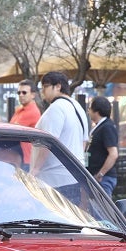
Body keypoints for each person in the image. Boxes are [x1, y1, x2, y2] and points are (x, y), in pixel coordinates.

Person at [32, 71, 87, 201]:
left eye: (45, 86)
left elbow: (48, 142)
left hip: (54, 179)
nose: (43, 90)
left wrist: (35, 169)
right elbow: (84, 142)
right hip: (73, 175)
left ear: (58, 86)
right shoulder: (77, 106)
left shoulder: (56, 108)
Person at [86, 96, 120, 195]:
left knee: (102, 209)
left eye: (90, 109)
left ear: (96, 111)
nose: (89, 112)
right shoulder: (99, 126)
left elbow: (113, 154)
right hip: (95, 178)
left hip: (103, 179)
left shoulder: (107, 127)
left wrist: (101, 174)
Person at [9, 80, 41, 166]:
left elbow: (12, 130)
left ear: (33, 95)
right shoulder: (20, 110)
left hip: (26, 158)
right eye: (19, 93)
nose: (21, 95)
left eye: (24, 92)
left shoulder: (32, 111)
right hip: (19, 156)